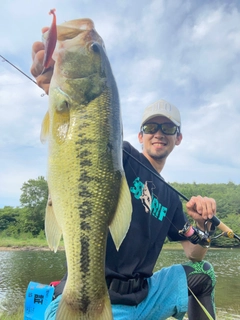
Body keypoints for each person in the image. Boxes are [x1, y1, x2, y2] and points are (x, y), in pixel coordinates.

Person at [31, 39, 217, 320]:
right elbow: (92, 131)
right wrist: (61, 90)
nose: (159, 133)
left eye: (167, 127)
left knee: (203, 273)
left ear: (178, 138)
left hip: (146, 296)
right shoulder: (122, 156)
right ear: (140, 135)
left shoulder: (169, 196)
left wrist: (204, 227)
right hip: (99, 293)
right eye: (151, 126)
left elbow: (194, 254)